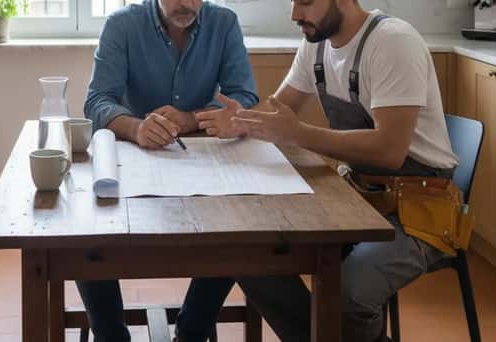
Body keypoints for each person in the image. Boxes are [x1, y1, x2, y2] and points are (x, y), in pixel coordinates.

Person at [195, 0, 460, 340]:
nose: (295, 14)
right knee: (251, 253)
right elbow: (279, 110)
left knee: (350, 294)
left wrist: (298, 134)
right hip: (358, 197)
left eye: (305, 2)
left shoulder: (393, 42)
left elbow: (390, 150)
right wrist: (241, 122)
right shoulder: (316, 44)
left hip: (418, 209)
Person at [81, 0, 258, 340]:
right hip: (133, 156)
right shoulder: (122, 25)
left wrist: (191, 119)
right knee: (88, 233)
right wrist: (136, 128)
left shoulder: (224, 23)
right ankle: (110, 335)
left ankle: (193, 330)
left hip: (203, 158)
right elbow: (97, 101)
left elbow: (245, 95)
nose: (187, 4)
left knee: (237, 230)